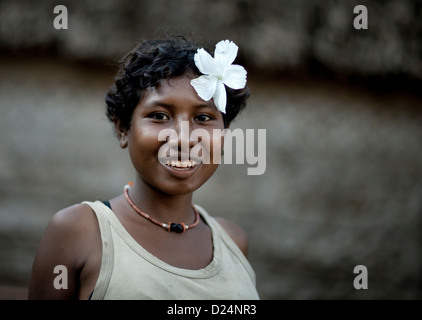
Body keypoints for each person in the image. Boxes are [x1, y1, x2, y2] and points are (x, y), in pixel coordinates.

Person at [28, 36, 259, 300]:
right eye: (160, 116)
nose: (183, 138)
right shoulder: (79, 232)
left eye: (203, 118)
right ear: (123, 128)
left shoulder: (233, 241)